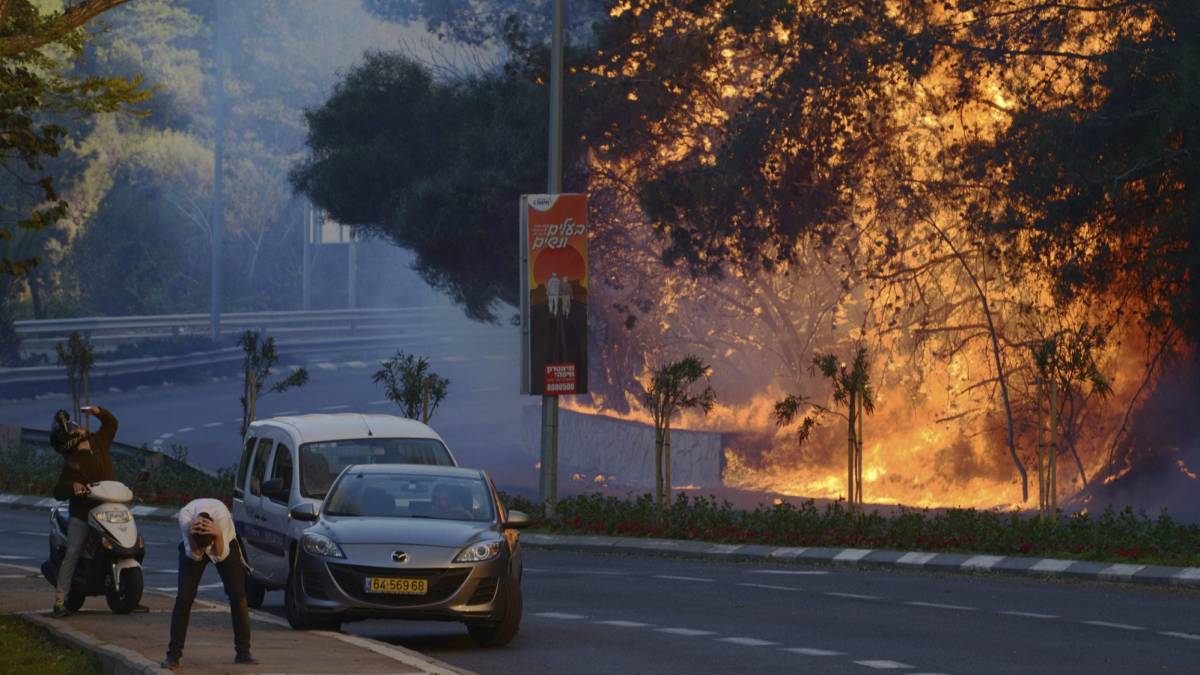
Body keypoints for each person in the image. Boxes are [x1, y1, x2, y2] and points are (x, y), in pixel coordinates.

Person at [162, 498, 256, 670]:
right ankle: (173, 655)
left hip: (223, 541)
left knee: (238, 596)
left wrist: (218, 535)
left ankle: (243, 652)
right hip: (195, 541)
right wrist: (192, 537)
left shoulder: (222, 518)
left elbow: (221, 555)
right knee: (184, 598)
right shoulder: (185, 518)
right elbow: (194, 555)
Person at [50, 406, 117, 617]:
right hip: (82, 513)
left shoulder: (100, 441)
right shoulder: (72, 462)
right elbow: (58, 491)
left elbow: (112, 424)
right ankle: (60, 601)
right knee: (73, 552)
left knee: (125, 543)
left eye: (77, 426)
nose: (79, 428)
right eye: (74, 429)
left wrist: (98, 411)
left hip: (108, 508)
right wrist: (73, 486)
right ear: (71, 439)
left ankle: (127, 593)